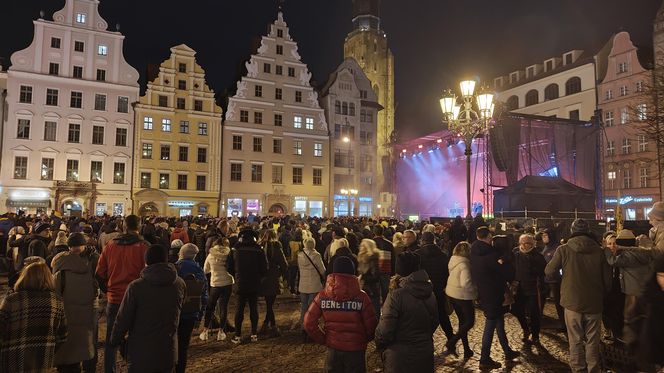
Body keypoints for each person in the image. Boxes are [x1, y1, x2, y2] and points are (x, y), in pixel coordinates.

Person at [545, 219, 611, 373]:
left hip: (572, 302)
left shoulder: (563, 249)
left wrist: (564, 275)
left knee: (575, 340)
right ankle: (593, 369)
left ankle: (578, 369)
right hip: (594, 302)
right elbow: (608, 282)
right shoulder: (599, 251)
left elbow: (549, 271)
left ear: (572, 231)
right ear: (588, 231)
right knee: (593, 341)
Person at [110, 244, 186, 373]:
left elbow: (123, 318)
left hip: (141, 351)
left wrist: (115, 340)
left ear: (146, 261)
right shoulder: (179, 284)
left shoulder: (136, 287)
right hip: (168, 350)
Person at [304, 256, 378, 372]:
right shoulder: (362, 297)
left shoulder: (322, 296)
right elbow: (372, 325)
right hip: (356, 350)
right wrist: (364, 339)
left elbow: (308, 323)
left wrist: (324, 339)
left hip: (333, 349)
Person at [95, 215, 149, 373]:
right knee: (136, 338)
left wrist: (108, 290)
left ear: (123, 227)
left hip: (115, 298)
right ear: (139, 227)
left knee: (111, 339)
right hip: (137, 300)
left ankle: (109, 370)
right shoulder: (144, 246)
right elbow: (148, 274)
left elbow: (99, 274)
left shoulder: (111, 245)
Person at [375, 251, 439, 373]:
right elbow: (435, 321)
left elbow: (385, 331)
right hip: (425, 353)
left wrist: (379, 343)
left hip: (399, 357)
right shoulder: (430, 293)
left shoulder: (396, 296)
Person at [0, 261, 68, 373]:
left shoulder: (11, 300)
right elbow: (63, 335)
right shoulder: (56, 301)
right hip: (42, 362)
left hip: (13, 361)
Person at [471, 226, 520, 370]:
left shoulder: (474, 253)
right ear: (489, 237)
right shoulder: (491, 256)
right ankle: (484, 358)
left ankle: (507, 351)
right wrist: (505, 260)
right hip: (493, 294)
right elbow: (508, 274)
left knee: (499, 323)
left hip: (485, 292)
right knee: (490, 325)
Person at [51, 232, 97, 373]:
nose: (75, 249)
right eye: (72, 247)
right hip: (79, 315)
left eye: (78, 246)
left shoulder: (93, 258)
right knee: (81, 348)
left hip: (78, 315)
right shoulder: (66, 267)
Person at [606, 229, 653, 350]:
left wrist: (606, 251)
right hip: (643, 289)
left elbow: (612, 261)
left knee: (629, 317)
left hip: (631, 290)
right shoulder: (642, 252)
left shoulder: (627, 255)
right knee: (641, 316)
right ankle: (643, 342)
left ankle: (630, 345)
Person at [230, 229, 268, 344]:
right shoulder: (258, 250)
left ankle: (237, 335)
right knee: (253, 309)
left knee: (239, 309)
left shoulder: (236, 250)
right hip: (254, 283)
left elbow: (230, 267)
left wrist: (236, 276)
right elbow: (264, 268)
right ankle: (254, 334)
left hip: (240, 283)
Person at [174, 243, 208, 373]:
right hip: (191, 313)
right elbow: (203, 294)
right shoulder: (198, 270)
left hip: (175, 312)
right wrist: (200, 315)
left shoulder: (174, 268)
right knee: (183, 347)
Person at [416, 231, 454, 345]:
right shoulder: (443, 255)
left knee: (423, 315)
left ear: (422, 241)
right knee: (442, 314)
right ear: (434, 240)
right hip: (439, 289)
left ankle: (424, 340)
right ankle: (451, 338)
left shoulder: (417, 254)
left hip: (422, 289)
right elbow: (447, 273)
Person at [444, 241, 477, 360]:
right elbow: (466, 283)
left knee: (462, 322)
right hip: (463, 296)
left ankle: (467, 349)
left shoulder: (453, 260)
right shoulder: (465, 264)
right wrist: (476, 291)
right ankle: (452, 341)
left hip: (452, 293)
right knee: (469, 322)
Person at [512, 234, 546, 346]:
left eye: (526, 243)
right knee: (516, 310)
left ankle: (535, 335)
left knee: (534, 313)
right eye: (521, 243)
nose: (523, 245)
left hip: (533, 289)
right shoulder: (516, 254)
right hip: (519, 288)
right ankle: (526, 328)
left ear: (531, 244)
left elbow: (541, 272)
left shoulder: (538, 256)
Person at [200, 237, 235, 341]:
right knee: (223, 307)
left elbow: (205, 270)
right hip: (227, 283)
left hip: (215, 283)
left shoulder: (211, 255)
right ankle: (221, 331)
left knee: (210, 306)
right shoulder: (229, 254)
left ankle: (205, 330)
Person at [259, 229, 288, 336]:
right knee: (269, 303)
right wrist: (280, 274)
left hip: (263, 278)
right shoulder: (276, 247)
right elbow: (284, 264)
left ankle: (267, 323)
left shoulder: (260, 246)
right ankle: (273, 325)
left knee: (269, 302)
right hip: (274, 277)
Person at [297, 236, 326, 339]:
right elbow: (322, 270)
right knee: (312, 309)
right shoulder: (316, 255)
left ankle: (303, 327)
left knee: (304, 307)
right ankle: (311, 328)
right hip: (314, 285)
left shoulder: (300, 255)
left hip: (303, 285)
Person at [541, 229, 565, 326]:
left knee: (558, 301)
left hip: (555, 280)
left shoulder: (557, 248)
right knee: (542, 298)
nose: (544, 237)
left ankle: (563, 321)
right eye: (543, 236)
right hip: (546, 278)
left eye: (545, 235)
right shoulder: (546, 247)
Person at [357, 238, 381, 318]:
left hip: (371, 290)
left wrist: (363, 277)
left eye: (363, 246)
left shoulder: (373, 259)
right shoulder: (361, 258)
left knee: (373, 313)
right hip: (363, 288)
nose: (360, 247)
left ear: (368, 247)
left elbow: (375, 276)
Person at [372, 225, 395, 305]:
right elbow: (393, 259)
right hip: (386, 270)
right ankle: (385, 307)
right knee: (386, 291)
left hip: (374, 271)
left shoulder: (371, 243)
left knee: (375, 292)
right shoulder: (389, 243)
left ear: (373, 232)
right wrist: (393, 272)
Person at [287, 229, 303, 295]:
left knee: (292, 276)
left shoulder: (290, 243)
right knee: (300, 276)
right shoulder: (302, 242)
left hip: (292, 261)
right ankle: (299, 290)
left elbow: (288, 251)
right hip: (300, 261)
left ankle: (292, 289)